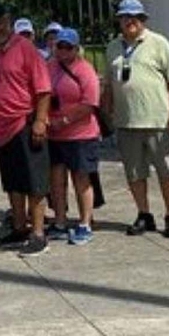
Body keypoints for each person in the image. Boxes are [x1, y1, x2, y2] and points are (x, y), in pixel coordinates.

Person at [102, 0, 169, 238]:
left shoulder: (159, 43)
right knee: (134, 173)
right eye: (125, 17)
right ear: (119, 20)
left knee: (167, 171)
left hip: (158, 120)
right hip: (127, 122)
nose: (130, 21)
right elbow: (108, 84)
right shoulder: (113, 47)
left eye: (135, 17)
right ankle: (143, 214)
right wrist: (106, 111)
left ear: (143, 20)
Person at [0, 2, 52, 256]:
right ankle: (20, 227)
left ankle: (39, 233)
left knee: (34, 182)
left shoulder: (24, 48)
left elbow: (43, 89)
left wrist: (41, 121)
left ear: (8, 21)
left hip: (25, 122)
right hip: (1, 129)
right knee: (13, 183)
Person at [45, 27, 101, 245]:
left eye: (68, 46)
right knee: (56, 181)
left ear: (76, 48)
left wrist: (65, 121)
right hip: (55, 136)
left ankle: (85, 222)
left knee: (81, 179)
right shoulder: (49, 67)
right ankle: (60, 221)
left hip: (80, 134)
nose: (63, 50)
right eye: (60, 45)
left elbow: (89, 104)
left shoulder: (85, 70)